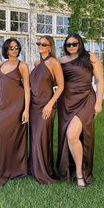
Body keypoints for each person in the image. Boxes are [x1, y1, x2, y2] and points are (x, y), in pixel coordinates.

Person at [57, 33, 104, 187]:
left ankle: (79, 174)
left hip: (86, 99)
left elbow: (100, 80)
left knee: (72, 135)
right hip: (67, 101)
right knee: (71, 137)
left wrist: (98, 103)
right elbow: (49, 72)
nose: (71, 47)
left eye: (74, 44)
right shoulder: (61, 61)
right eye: (68, 45)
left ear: (80, 43)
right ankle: (71, 169)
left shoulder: (90, 57)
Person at [0, 38, 30, 186]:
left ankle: (15, 169)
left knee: (13, 136)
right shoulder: (0, 66)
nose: (14, 50)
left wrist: (26, 109)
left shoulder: (22, 66)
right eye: (11, 48)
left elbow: (27, 88)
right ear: (6, 50)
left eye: (17, 47)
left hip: (17, 105)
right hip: (2, 105)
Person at [29, 35, 64, 184]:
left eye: (44, 44)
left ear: (50, 47)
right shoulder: (37, 63)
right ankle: (35, 169)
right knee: (34, 137)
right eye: (39, 43)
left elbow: (61, 86)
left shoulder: (54, 63)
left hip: (46, 105)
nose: (41, 46)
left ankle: (44, 171)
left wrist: (50, 104)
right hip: (33, 105)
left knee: (41, 138)